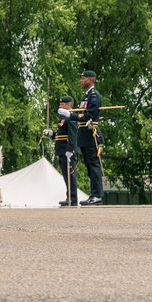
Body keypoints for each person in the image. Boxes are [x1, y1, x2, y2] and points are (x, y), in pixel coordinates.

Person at [59, 70, 103, 206]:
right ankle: (94, 194)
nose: (81, 80)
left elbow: (87, 116)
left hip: (91, 133)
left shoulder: (94, 95)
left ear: (90, 79)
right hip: (84, 134)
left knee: (94, 164)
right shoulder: (86, 96)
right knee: (89, 165)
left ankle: (97, 195)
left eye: (83, 78)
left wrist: (70, 115)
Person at [45, 96, 79, 206]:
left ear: (69, 105)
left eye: (62, 104)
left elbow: (73, 135)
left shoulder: (71, 117)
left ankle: (73, 199)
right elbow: (60, 135)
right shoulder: (63, 118)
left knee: (70, 175)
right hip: (61, 150)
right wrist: (52, 134)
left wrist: (70, 150)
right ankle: (69, 197)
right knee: (65, 175)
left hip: (67, 151)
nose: (60, 106)